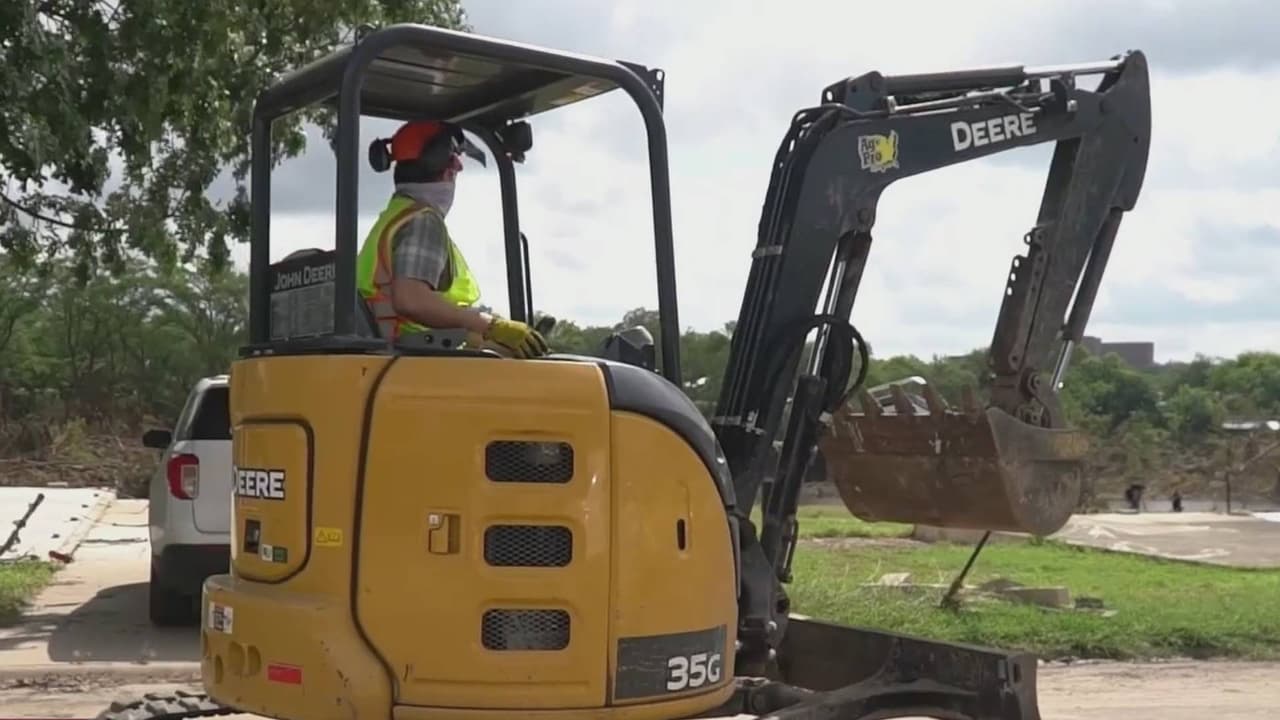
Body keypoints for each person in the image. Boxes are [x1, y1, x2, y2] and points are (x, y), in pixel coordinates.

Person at [356, 119, 548, 358]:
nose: (459, 166)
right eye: (455, 156)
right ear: (442, 163)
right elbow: (411, 300)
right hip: (412, 357)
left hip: (399, 353)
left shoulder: (393, 218)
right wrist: (491, 326)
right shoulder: (422, 221)